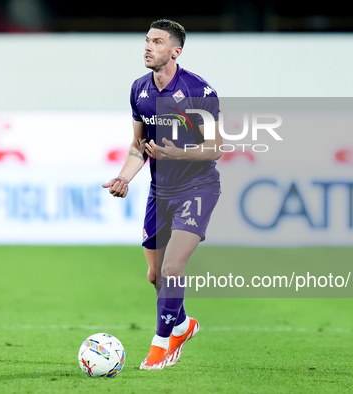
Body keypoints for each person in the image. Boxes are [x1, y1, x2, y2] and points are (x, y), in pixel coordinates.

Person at [102, 19, 222, 370]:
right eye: (146, 40)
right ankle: (182, 326)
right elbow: (139, 146)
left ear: (175, 51)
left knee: (172, 267)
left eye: (157, 41)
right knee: (156, 276)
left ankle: (161, 346)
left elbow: (215, 148)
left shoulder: (200, 91)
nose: (148, 46)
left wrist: (178, 154)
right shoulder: (139, 89)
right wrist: (124, 178)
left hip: (197, 188)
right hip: (160, 191)